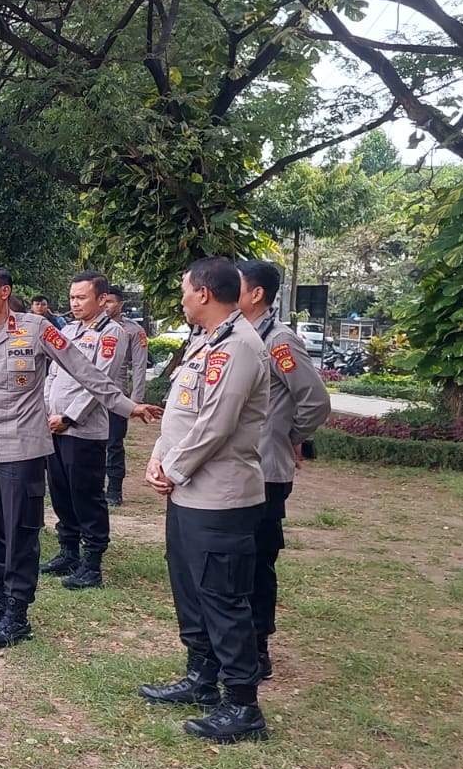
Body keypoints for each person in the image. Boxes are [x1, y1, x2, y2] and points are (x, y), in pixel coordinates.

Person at [0, 268, 160, 648]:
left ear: (4, 292)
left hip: (22, 447)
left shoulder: (37, 329)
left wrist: (126, 406)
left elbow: (86, 371)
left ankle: (16, 612)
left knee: (20, 531)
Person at [139, 257, 272, 744]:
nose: (181, 297)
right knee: (191, 588)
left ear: (205, 294)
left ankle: (242, 705)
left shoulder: (239, 348)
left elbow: (216, 424)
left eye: (184, 289)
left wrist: (172, 469)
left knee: (222, 595)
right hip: (191, 492)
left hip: (221, 495)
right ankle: (201, 677)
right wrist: (158, 458)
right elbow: (180, 415)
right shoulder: (205, 343)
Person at [235, 259, 331, 681]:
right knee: (236, 560)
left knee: (258, 561)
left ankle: (258, 648)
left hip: (267, 472)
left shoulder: (278, 341)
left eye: (233, 286)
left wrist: (289, 434)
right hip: (239, 468)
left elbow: (314, 400)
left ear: (257, 294)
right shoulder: (236, 336)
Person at [41, 272, 131, 591]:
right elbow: (52, 372)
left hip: (84, 430)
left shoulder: (113, 334)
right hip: (54, 425)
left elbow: (100, 384)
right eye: (72, 298)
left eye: (82, 298)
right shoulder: (68, 330)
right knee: (61, 492)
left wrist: (67, 416)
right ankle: (68, 550)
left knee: (87, 496)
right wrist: (48, 410)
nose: (75, 303)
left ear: (102, 300)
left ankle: (92, 563)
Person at [98, 290, 149, 506]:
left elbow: (139, 365)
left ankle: (114, 490)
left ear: (120, 304)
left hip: (117, 393)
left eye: (110, 302)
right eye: (104, 301)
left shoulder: (133, 331)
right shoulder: (91, 327)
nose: (106, 306)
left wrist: (135, 400)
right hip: (92, 394)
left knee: (114, 444)